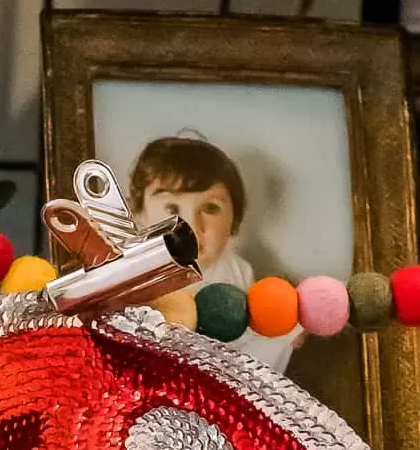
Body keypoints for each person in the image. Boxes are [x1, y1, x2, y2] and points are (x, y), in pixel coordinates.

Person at [126, 130, 298, 377]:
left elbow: (247, 348)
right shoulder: (134, 274)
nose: (191, 226)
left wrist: (284, 328)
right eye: (172, 208)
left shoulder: (237, 271)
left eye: (210, 208)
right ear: (140, 213)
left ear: (234, 222)